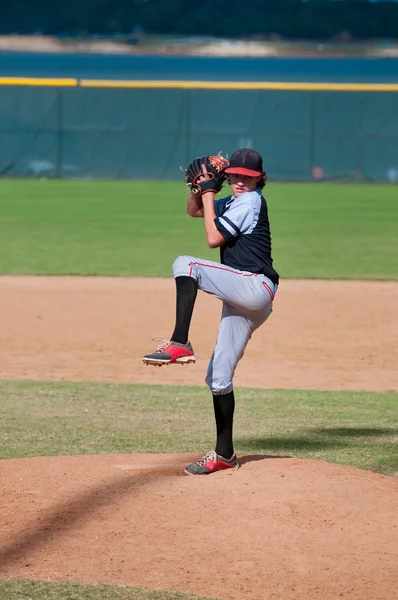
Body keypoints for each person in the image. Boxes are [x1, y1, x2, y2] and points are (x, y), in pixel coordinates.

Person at [142, 148, 279, 475]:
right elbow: (194, 212)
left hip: (254, 287)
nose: (240, 181)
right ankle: (225, 453)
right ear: (227, 174)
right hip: (242, 296)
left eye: (247, 177)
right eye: (234, 175)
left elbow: (213, 237)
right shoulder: (232, 200)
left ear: (259, 179)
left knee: (185, 264)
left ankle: (179, 342)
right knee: (218, 378)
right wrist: (198, 190)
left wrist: (208, 192)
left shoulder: (250, 201)